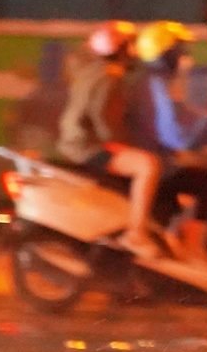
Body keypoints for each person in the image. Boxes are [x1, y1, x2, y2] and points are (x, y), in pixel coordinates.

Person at [53, 20, 163, 256]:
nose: (134, 51)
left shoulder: (90, 70)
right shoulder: (109, 76)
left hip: (76, 143)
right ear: (119, 50)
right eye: (129, 45)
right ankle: (136, 234)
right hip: (88, 147)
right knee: (147, 165)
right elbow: (102, 117)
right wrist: (119, 143)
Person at [122, 22, 207, 265]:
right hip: (158, 165)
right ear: (165, 54)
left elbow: (182, 116)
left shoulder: (154, 81)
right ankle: (194, 250)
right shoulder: (154, 85)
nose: (184, 57)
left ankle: (184, 248)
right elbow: (177, 135)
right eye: (179, 51)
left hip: (161, 161)